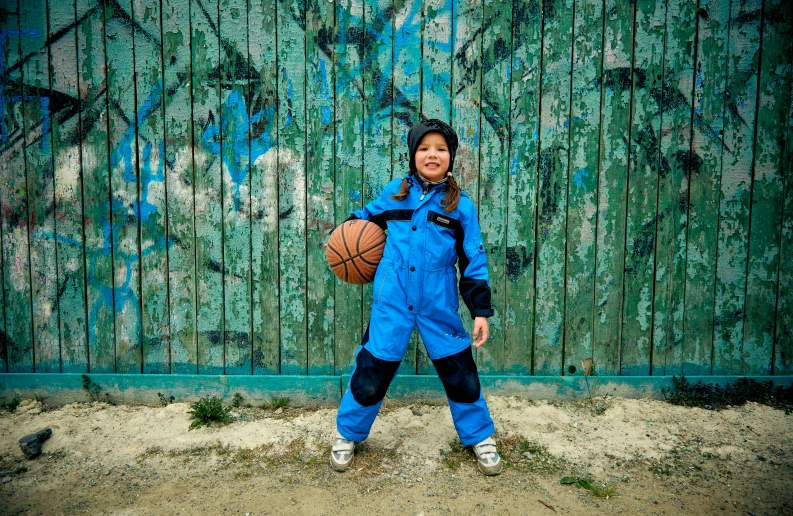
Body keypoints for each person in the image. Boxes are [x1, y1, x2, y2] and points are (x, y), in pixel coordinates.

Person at [330, 118, 502, 476]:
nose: (432, 155)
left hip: (437, 303)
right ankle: (348, 433)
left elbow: (474, 260)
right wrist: (342, 238)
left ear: (451, 157)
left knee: (460, 372)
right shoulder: (395, 192)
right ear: (413, 155)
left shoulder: (461, 207)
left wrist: (480, 310)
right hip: (392, 300)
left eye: (440, 149)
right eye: (424, 148)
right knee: (372, 369)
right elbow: (363, 221)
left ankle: (479, 436)